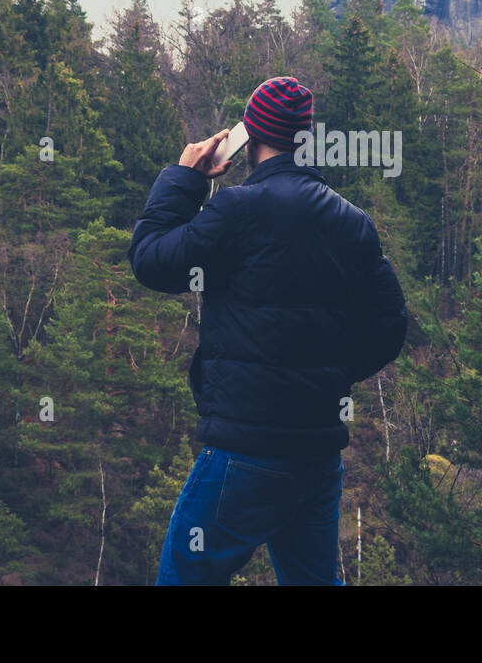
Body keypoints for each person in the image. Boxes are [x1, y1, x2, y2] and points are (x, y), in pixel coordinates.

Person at [128, 76, 408, 585]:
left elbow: (151, 261)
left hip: (243, 450)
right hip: (318, 456)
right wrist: (328, 375)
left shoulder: (236, 209)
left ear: (248, 136)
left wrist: (186, 178)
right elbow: (391, 325)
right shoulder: (352, 221)